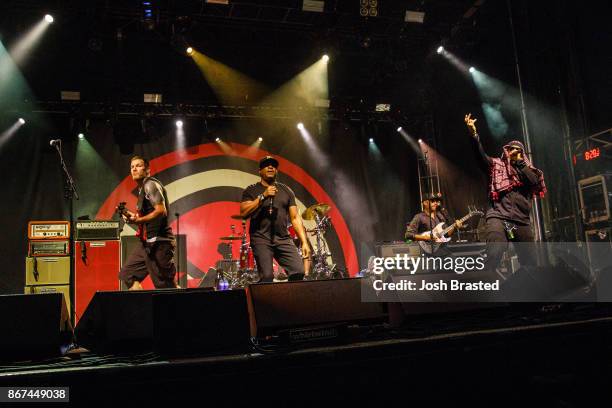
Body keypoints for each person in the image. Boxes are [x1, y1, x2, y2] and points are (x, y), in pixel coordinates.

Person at [464, 113, 546, 270]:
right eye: (511, 150)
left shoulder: (528, 170)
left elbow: (534, 182)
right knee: (495, 250)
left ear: (522, 155)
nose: (513, 152)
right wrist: (474, 135)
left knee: (530, 261)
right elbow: (480, 156)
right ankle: (486, 284)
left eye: (518, 151)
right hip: (498, 215)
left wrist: (521, 164)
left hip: (521, 220)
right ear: (506, 152)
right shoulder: (496, 165)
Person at [240, 156, 311, 282]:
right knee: (267, 277)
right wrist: (263, 196)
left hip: (283, 238)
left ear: (277, 171)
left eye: (273, 165)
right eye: (267, 165)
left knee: (298, 272)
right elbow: (244, 212)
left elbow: (295, 217)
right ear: (260, 171)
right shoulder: (251, 190)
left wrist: (304, 242)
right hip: (260, 238)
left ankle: (289, 299)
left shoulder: (286, 190)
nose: (271, 167)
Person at [118, 155, 177, 290]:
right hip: (147, 243)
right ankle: (143, 307)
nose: (134, 169)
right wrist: (132, 217)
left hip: (160, 243)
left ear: (147, 170)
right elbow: (146, 219)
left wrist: (139, 219)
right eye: (132, 167)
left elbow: (161, 211)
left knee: (165, 286)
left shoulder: (150, 184)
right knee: (127, 274)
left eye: (138, 166)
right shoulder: (141, 190)